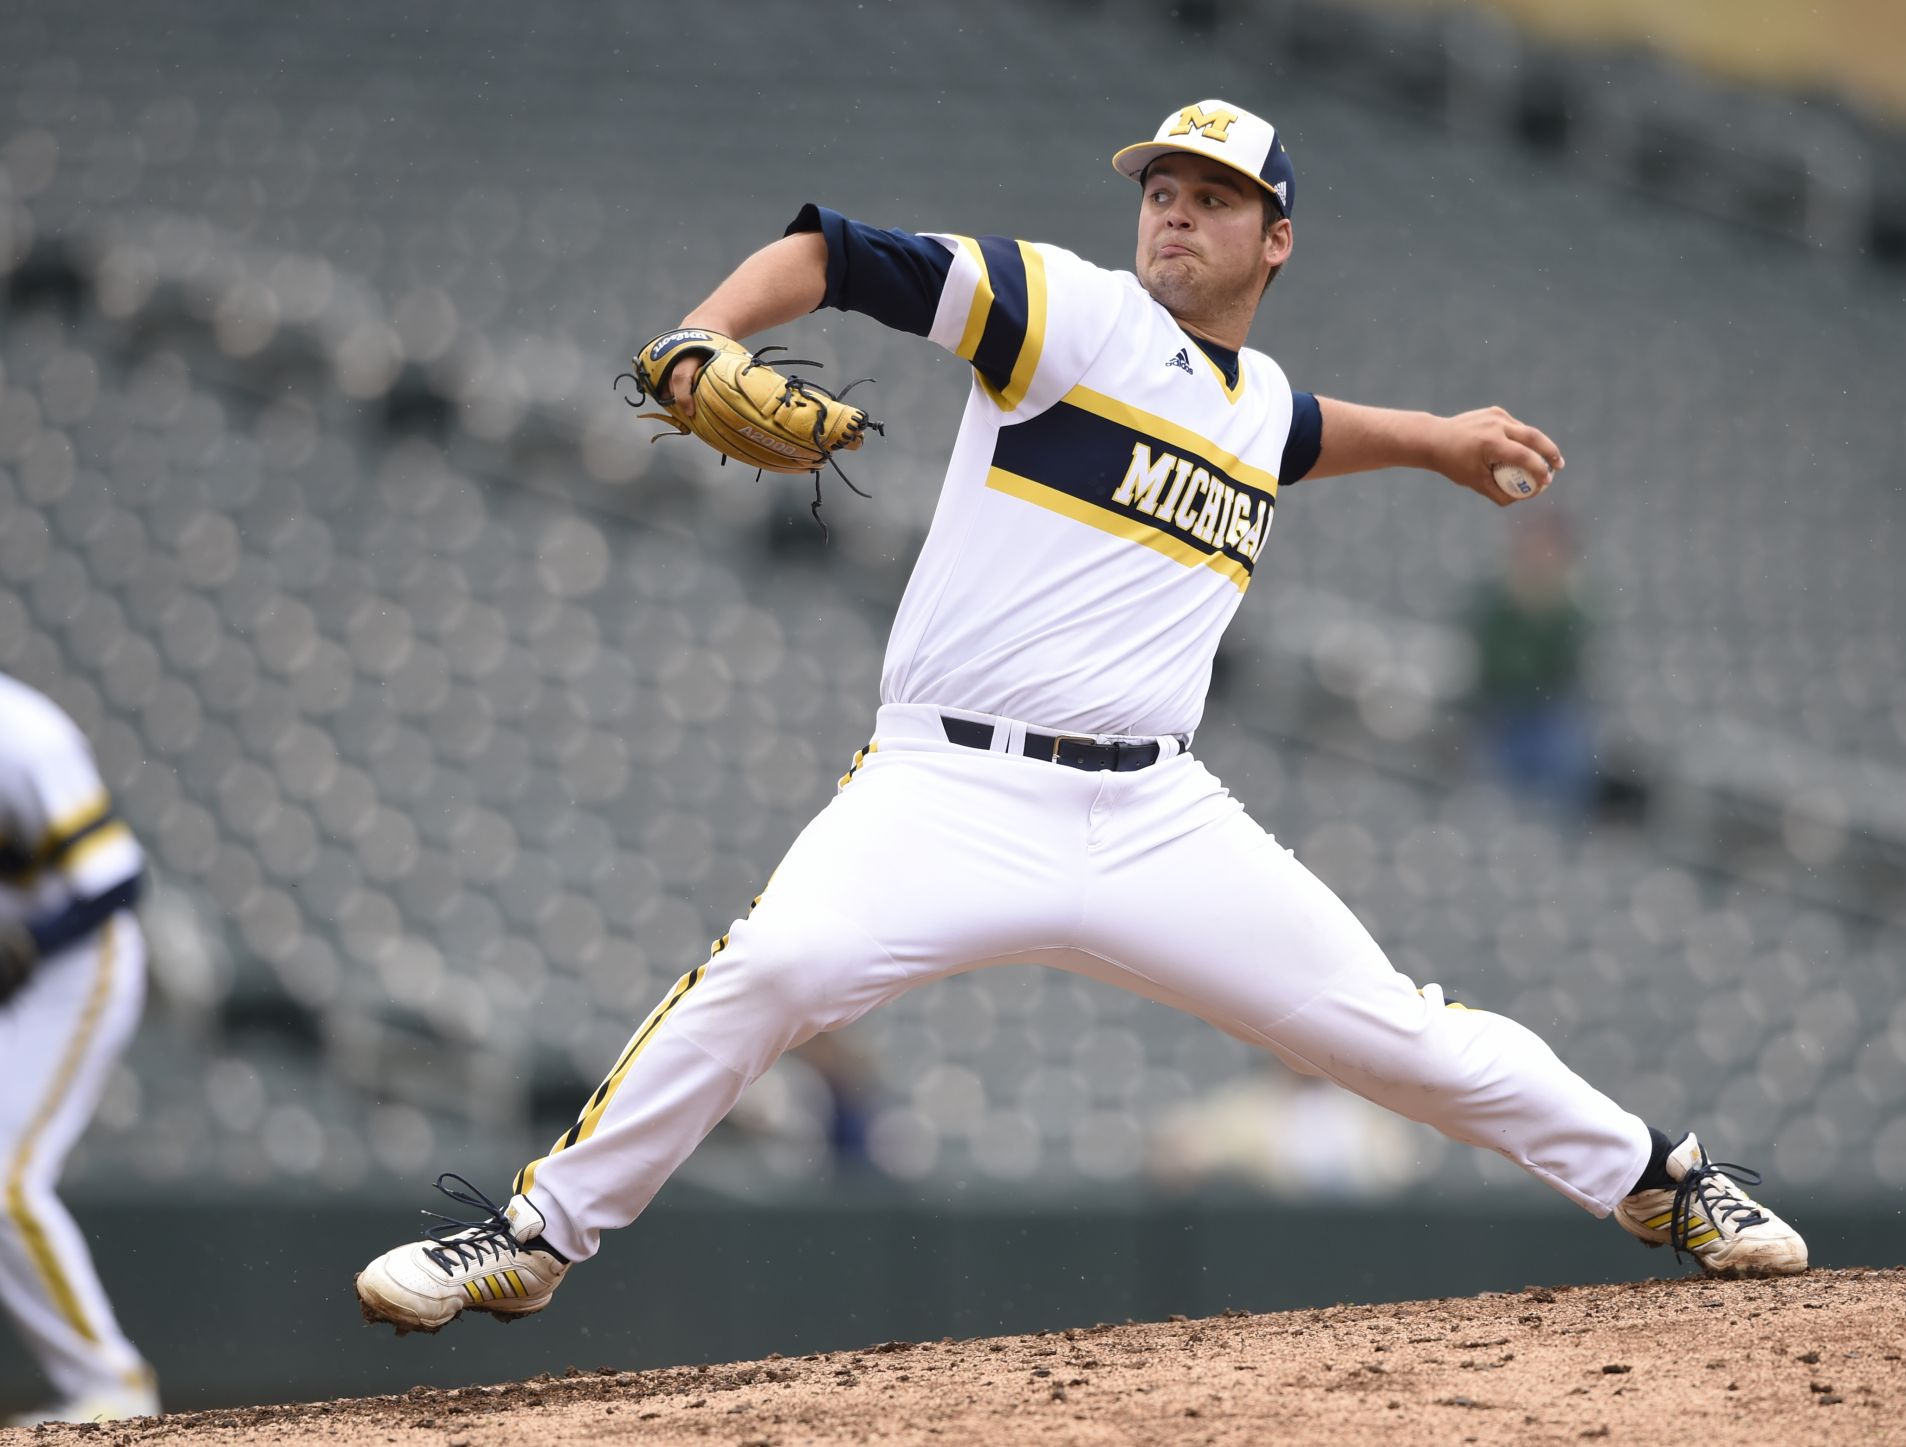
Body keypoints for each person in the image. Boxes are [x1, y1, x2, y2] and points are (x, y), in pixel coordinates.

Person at [355, 99, 1805, 1334]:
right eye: (1162, 191)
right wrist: (698, 336)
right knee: (777, 966)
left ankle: (1664, 1179)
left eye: (1215, 199)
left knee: (1396, 1036)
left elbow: (1300, 431)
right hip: (948, 788)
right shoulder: (1068, 310)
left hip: (1154, 813)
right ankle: (536, 1236)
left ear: (1275, 239)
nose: (1175, 215)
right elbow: (837, 253)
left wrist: (1441, 443)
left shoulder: (1258, 402)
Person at [0, 671, 159, 1425]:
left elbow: (119, 877)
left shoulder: (23, 735)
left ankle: (111, 1384)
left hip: (73, 967)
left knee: (4, 1179)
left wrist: (31, 940)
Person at [1462, 509, 1599, 819]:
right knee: (1492, 796)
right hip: (1498, 713)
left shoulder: (1571, 610)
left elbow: (1570, 669)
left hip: (1549, 716)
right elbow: (1489, 661)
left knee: (1563, 775)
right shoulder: (1496, 601)